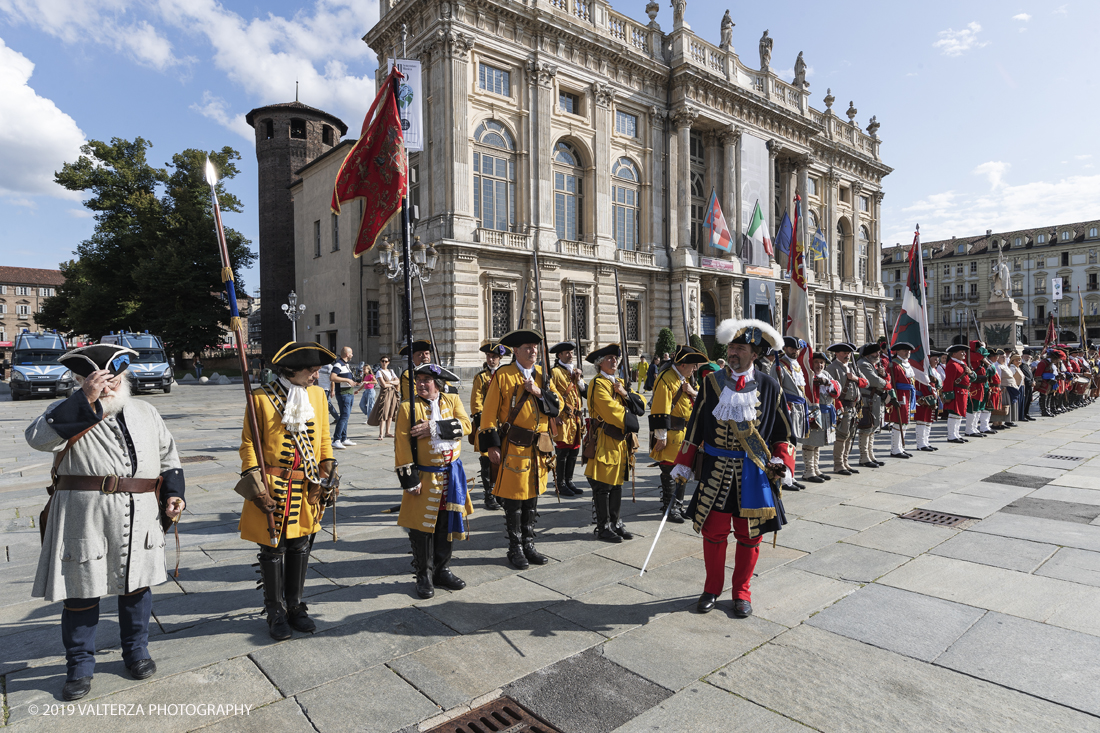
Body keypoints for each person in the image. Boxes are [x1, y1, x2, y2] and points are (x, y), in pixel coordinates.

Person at [28, 344, 186, 700]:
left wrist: (173, 493)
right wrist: (86, 400)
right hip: (86, 516)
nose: (109, 387)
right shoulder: (65, 410)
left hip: (141, 510)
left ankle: (137, 651)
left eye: (114, 380)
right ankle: (80, 666)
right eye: (98, 381)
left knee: (137, 585)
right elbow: (37, 439)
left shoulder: (145, 411)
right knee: (82, 590)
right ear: (82, 381)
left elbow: (168, 456)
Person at [671, 318, 794, 618]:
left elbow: (784, 434)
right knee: (713, 532)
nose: (734, 352)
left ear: (755, 354)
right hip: (715, 471)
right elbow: (695, 427)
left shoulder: (770, 385)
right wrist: (683, 464)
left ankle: (742, 592)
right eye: (732, 347)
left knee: (750, 535)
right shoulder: (711, 383)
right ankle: (712, 588)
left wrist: (783, 461)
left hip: (753, 474)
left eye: (740, 348)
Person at [235, 341, 338, 641]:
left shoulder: (317, 396)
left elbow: (323, 440)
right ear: (292, 370)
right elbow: (249, 445)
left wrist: (326, 474)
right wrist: (257, 489)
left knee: (300, 545)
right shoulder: (261, 398)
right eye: (311, 371)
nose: (315, 376)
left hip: (306, 485)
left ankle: (295, 606)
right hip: (273, 486)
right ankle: (275, 611)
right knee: (273, 549)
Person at [478, 329, 561, 569]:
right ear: (516, 351)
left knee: (532, 498)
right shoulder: (504, 375)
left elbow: (557, 406)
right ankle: (515, 548)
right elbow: (489, 413)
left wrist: (537, 391)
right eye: (527, 347)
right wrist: (491, 446)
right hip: (513, 446)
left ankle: (529, 544)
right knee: (514, 501)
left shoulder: (543, 376)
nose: (533, 351)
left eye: (535, 347)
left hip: (538, 448)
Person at [394, 364, 474, 599]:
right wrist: (410, 480)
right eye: (418, 379)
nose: (420, 383)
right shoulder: (408, 406)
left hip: (451, 475)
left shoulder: (452, 400)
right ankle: (423, 574)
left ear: (437, 384)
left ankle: (442, 569)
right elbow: (401, 445)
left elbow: (466, 426)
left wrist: (434, 428)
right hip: (425, 477)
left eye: (426, 379)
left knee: (445, 524)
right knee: (421, 528)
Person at [585, 344, 647, 542]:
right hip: (604, 439)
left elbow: (641, 403)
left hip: (620, 442)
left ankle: (616, 522)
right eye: (609, 358)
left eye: (615, 358)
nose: (614, 361)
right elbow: (611, 412)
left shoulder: (619, 381)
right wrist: (632, 418)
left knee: (618, 483)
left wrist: (625, 394)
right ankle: (603, 527)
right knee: (603, 486)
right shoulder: (598, 383)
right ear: (599, 363)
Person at [649, 346, 707, 521]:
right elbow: (660, 408)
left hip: (685, 433)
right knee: (669, 470)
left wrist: (692, 391)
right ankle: (670, 507)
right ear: (682, 365)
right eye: (693, 365)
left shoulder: (685, 379)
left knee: (682, 470)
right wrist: (661, 436)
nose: (695, 369)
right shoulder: (666, 379)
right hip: (672, 433)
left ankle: (679, 505)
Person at [470, 340, 509, 510]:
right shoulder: (481, 377)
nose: (491, 359)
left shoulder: (505, 375)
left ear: (500, 358)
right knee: (486, 460)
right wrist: (482, 424)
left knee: (502, 459)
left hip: (504, 425)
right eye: (489, 356)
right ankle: (489, 494)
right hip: (487, 424)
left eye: (494, 357)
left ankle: (501, 492)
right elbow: (476, 402)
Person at [549, 341, 586, 498]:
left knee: (574, 450)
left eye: (571, 352)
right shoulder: (555, 372)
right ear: (559, 356)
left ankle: (569, 481)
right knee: (562, 451)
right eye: (567, 353)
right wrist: (555, 416)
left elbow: (584, 392)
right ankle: (560, 483)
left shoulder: (575, 372)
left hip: (576, 419)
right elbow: (551, 395)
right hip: (563, 418)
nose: (570, 355)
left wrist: (578, 380)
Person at [802, 351, 841, 483]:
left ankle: (816, 469)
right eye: (816, 362)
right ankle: (808, 471)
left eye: (822, 363)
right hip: (813, 413)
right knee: (810, 443)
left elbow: (837, 389)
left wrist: (827, 382)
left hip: (825, 413)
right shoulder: (808, 376)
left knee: (818, 443)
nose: (819, 365)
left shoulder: (826, 375)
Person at [826, 342, 864, 476]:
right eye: (844, 353)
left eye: (848, 353)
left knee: (850, 436)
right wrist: (839, 408)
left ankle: (845, 462)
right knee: (841, 436)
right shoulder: (832, 368)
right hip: (843, 407)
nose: (847, 356)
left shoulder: (852, 367)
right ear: (837, 354)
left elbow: (866, 383)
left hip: (854, 407)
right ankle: (838, 465)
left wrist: (854, 378)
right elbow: (831, 390)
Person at [776, 337, 809, 489]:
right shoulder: (779, 365)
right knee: (787, 443)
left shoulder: (795, 365)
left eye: (797, 349)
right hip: (787, 408)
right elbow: (776, 390)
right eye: (791, 348)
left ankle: (792, 475)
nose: (795, 351)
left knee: (794, 444)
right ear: (785, 348)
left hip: (798, 407)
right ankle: (785, 479)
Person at [855, 343, 888, 468]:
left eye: (878, 352)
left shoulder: (871, 364)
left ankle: (870, 455)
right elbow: (874, 381)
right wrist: (885, 382)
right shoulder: (863, 364)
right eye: (875, 352)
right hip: (867, 400)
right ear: (867, 354)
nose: (878, 355)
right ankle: (864, 457)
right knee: (866, 428)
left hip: (874, 399)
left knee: (872, 429)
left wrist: (883, 375)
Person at [885, 342, 916, 459]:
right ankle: (895, 449)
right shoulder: (894, 365)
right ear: (897, 351)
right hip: (900, 395)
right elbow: (890, 382)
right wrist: (892, 397)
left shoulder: (906, 364)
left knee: (905, 422)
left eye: (908, 351)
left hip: (908, 394)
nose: (907, 352)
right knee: (899, 422)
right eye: (904, 350)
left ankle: (901, 447)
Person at [913, 351, 943, 452]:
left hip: (933, 397)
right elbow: (924, 385)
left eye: (937, 359)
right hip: (923, 398)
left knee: (929, 421)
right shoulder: (922, 371)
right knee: (922, 421)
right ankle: (921, 444)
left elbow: (939, 385)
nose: (937, 361)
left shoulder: (934, 371)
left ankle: (926, 442)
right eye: (934, 359)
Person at [943, 343, 972, 443]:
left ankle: (956, 434)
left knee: (959, 415)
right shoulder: (952, 364)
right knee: (953, 414)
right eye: (962, 352)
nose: (964, 353)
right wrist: (949, 395)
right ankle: (951, 435)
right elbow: (949, 381)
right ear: (954, 354)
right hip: (956, 392)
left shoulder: (962, 363)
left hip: (963, 392)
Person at [330, 346, 357, 449]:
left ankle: (344, 438)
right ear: (347, 354)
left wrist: (353, 381)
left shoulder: (346, 365)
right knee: (344, 416)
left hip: (349, 392)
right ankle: (336, 439)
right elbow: (332, 377)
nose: (352, 355)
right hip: (343, 393)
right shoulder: (338, 364)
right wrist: (347, 380)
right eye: (351, 353)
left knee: (346, 416)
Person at [371, 357, 400, 439]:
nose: (384, 363)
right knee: (383, 413)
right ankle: (381, 433)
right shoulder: (379, 372)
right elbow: (383, 385)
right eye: (382, 361)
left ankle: (387, 432)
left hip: (393, 393)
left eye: (386, 361)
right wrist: (393, 383)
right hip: (385, 394)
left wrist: (390, 382)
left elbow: (398, 381)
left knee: (391, 413)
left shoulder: (391, 371)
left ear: (388, 362)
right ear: (380, 362)